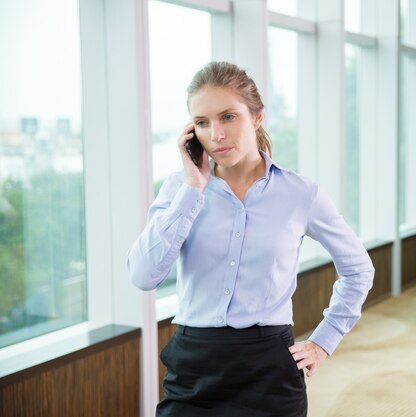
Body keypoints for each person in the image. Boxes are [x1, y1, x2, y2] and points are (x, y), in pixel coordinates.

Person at [127, 61, 375, 416]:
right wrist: (193, 189)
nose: (216, 134)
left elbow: (358, 269)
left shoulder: (300, 193)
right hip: (195, 368)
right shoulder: (179, 189)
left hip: (269, 369)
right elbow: (143, 275)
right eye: (202, 122)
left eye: (228, 117)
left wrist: (326, 339)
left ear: (257, 117)